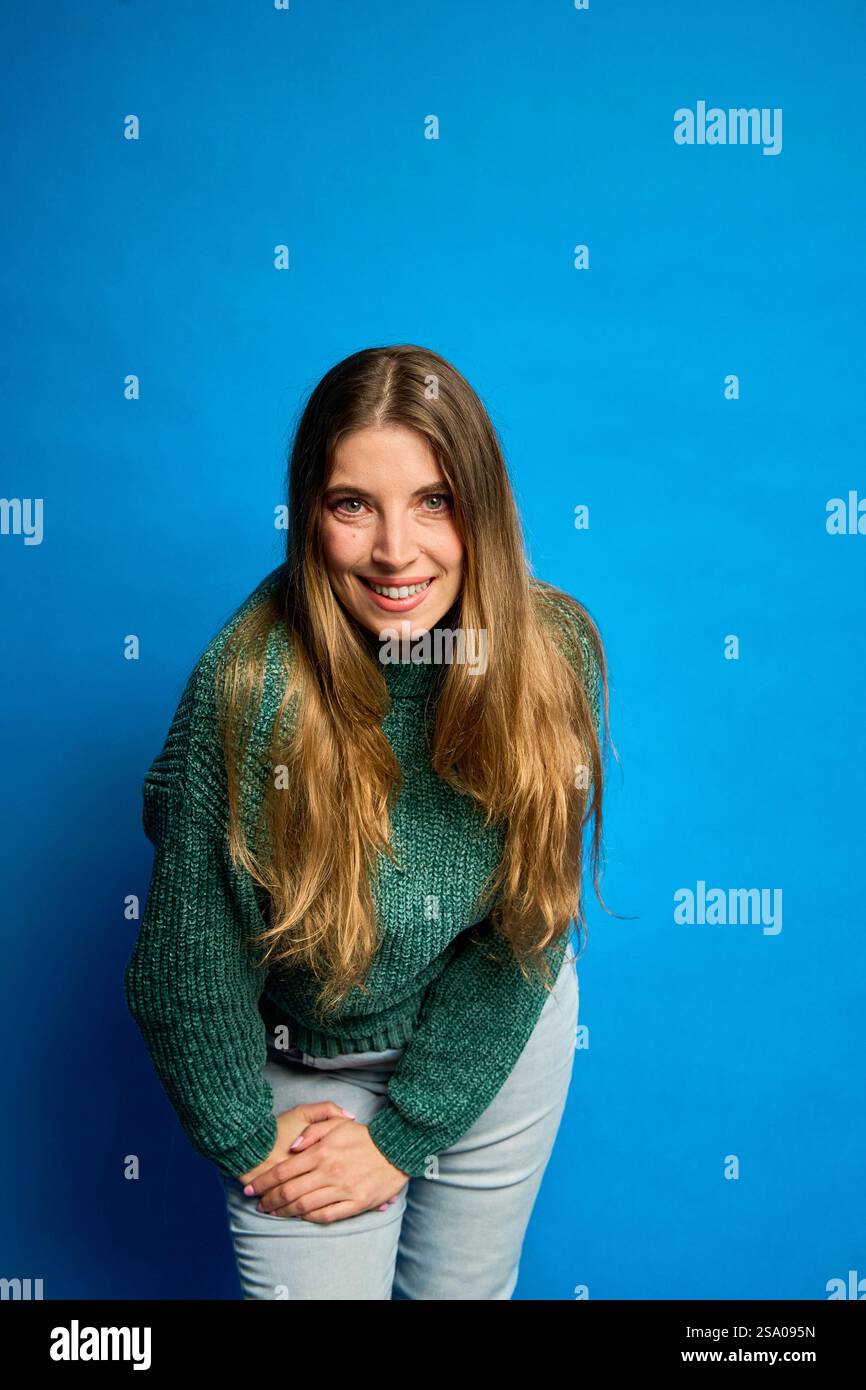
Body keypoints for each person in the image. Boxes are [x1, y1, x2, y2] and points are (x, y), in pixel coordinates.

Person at [123, 343, 612, 1300]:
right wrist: (246, 1140)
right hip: (302, 1059)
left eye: (434, 501)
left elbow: (527, 926)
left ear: (484, 505)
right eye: (354, 504)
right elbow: (188, 965)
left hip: (488, 1030)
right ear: (311, 513)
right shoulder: (246, 690)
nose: (396, 551)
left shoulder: (550, 657)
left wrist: (405, 1137)